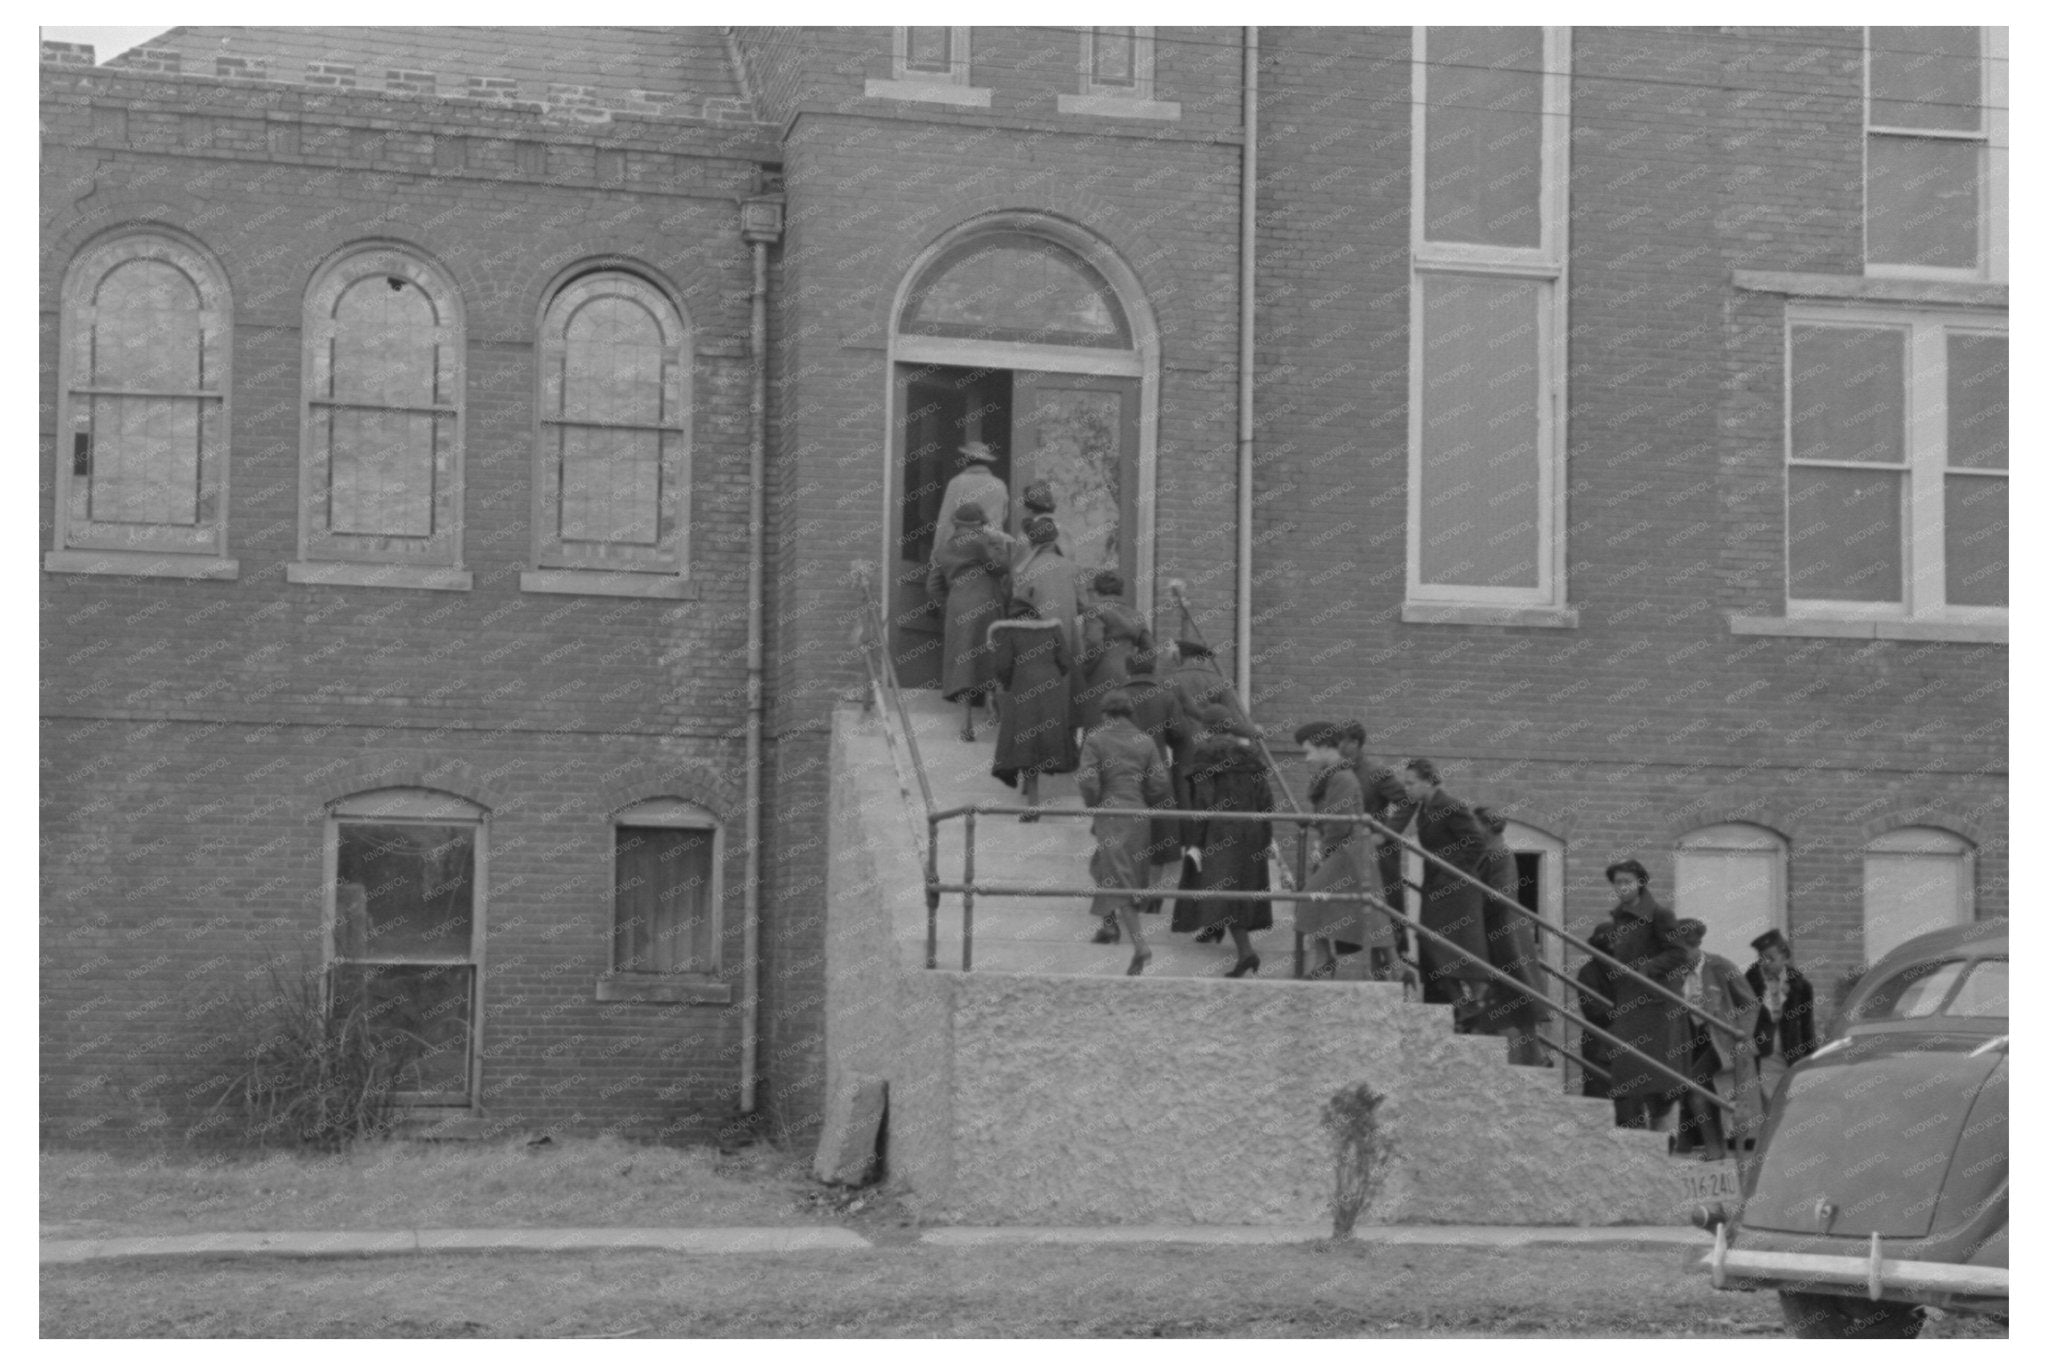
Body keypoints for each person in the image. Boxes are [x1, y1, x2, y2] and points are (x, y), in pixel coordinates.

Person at [1076, 692, 1173, 974]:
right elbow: (1159, 781)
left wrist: (1096, 803)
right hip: (1139, 814)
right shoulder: (1145, 740)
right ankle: (1108, 925)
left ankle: (1140, 946)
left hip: (1111, 812)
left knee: (1119, 878)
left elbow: (1087, 780)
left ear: (1105, 714)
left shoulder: (1096, 739)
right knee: (1102, 866)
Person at [1171, 730, 1274, 977]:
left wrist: (1194, 841)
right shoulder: (1250, 761)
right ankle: (1215, 929)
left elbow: (1203, 802)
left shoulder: (1206, 758)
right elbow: (1266, 801)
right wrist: (1267, 836)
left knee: (1223, 889)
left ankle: (1246, 952)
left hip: (1221, 832)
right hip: (1252, 830)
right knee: (1237, 888)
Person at [1399, 759, 1493, 1026]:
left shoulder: (1450, 806)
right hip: (1437, 888)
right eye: (1405, 784)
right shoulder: (1424, 810)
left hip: (1458, 889)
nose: (1407, 789)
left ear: (1428, 781)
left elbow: (1476, 843)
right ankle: (1466, 1004)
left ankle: (1474, 1003)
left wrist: (1451, 872)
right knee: (1429, 942)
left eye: (1411, 783)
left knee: (1458, 948)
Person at [1601, 858, 1690, 1133]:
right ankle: (1639, 1140)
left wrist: (1647, 968)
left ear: (1640, 882)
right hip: (1628, 1002)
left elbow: (1679, 952)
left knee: (1657, 1078)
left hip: (1654, 1005)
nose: (1622, 887)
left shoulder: (1659, 914)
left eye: (1628, 881)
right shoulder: (1618, 917)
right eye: (1617, 882)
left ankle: (1663, 1136)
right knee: (1628, 1074)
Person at [1110, 649, 1193, 925]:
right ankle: (1154, 898)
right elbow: (1180, 732)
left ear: (1128, 670)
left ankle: (1128, 896)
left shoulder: (1117, 696)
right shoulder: (1166, 695)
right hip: (1156, 773)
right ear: (1154, 668)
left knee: (1125, 838)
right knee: (1160, 837)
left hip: (1122, 776)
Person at [1290, 721, 1377, 981]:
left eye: (1310, 751)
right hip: (1342, 850)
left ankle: (1325, 960)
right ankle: (1324, 960)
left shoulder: (1340, 777)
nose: (1307, 758)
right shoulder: (1336, 776)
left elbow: (1339, 822)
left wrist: (1322, 852)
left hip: (1344, 851)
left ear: (1327, 747)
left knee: (1309, 901)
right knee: (1316, 903)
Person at [1671, 918, 1762, 1159]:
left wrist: (1741, 1035)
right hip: (1688, 1040)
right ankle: (1690, 1144)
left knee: (1694, 1087)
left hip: (1720, 1041)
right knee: (1689, 1088)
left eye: (1685, 951)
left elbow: (1750, 1004)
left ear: (1697, 946)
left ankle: (1714, 1149)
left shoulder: (1720, 966)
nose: (1681, 957)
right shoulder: (1673, 972)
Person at [923, 502, 1010, 741]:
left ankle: (966, 721)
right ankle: (993, 707)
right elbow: (1002, 566)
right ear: (978, 524)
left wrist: (950, 603)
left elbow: (932, 586)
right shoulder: (981, 542)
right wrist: (996, 542)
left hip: (958, 609)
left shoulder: (943, 549)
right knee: (990, 656)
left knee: (964, 663)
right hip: (986, 605)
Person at [987, 599, 1077, 819]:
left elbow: (1002, 666)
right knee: (1044, 740)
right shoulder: (1052, 630)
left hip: (1023, 686)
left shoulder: (1007, 632)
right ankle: (1030, 793)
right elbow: (1066, 662)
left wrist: (1009, 685)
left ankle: (1033, 804)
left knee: (1025, 742)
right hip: (1051, 687)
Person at [1472, 805, 1548, 1065]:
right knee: (1514, 1006)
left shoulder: (1499, 854)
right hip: (1501, 936)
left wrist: (1469, 904)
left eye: (1476, 825)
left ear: (1488, 827)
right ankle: (1532, 1063)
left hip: (1505, 938)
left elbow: (1500, 896)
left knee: (1513, 1006)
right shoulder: (1490, 854)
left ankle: (1527, 1066)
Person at [1010, 513, 1086, 721]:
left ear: (1032, 541)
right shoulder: (1072, 568)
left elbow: (1018, 608)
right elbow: (1083, 606)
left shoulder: (1025, 570)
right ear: (1054, 539)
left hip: (1037, 642)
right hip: (1069, 639)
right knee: (1069, 694)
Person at [1745, 928, 1816, 1116]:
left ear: (1785, 956)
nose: (1766, 964)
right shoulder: (1750, 982)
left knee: (1789, 1096)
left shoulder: (1801, 986)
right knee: (1767, 1097)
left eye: (1771, 958)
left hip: (1789, 1050)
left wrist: (1811, 1055)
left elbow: (1807, 1025)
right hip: (1763, 1050)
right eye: (1762, 959)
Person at [1075, 570, 1153, 733]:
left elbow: (1094, 642)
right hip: (1128, 677)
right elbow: (1150, 649)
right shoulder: (1136, 615)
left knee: (1097, 729)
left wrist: (1085, 669)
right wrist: (1138, 672)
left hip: (1101, 675)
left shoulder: (1094, 609)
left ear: (1096, 592)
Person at [1575, 922, 1620, 1104]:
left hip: (1627, 1043)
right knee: (1598, 1099)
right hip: (1600, 1045)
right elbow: (1594, 1011)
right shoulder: (1589, 972)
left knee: (1629, 1106)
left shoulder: (1632, 970)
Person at [934, 440, 1008, 537]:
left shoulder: (958, 482)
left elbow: (946, 519)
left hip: (965, 545)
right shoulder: (1000, 485)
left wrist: (939, 549)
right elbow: (1003, 517)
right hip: (993, 543)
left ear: (966, 460)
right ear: (987, 462)